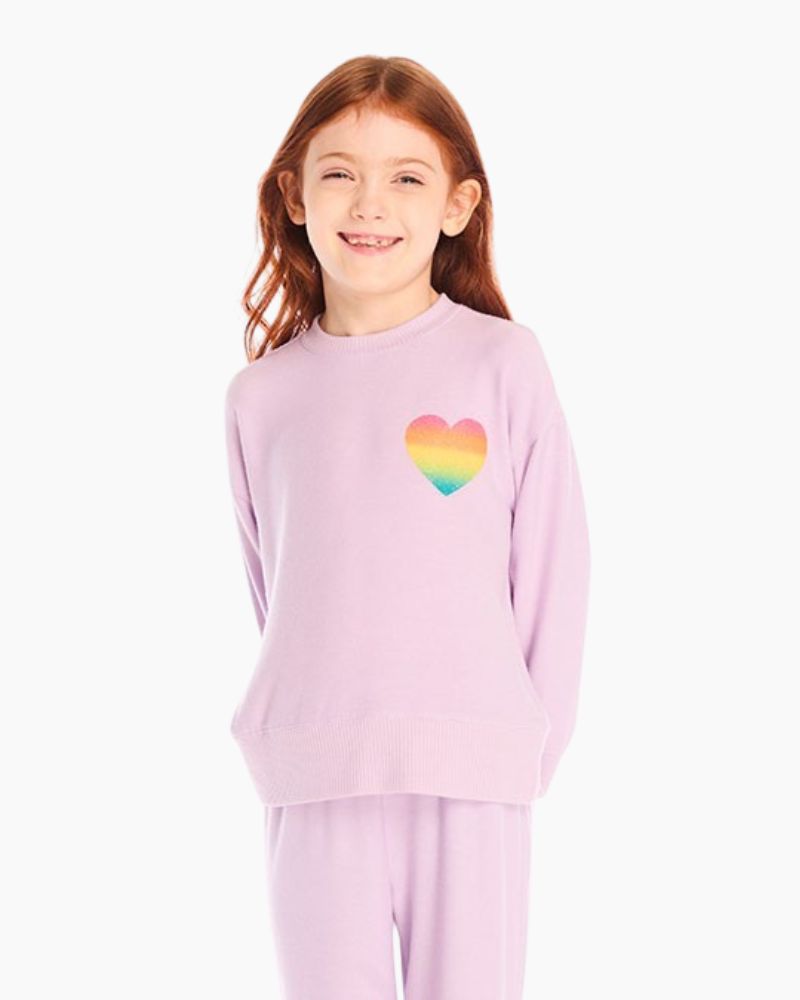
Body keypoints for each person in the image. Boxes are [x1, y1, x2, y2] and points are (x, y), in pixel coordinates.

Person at [223, 54, 591, 1000]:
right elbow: (276, 587)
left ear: (459, 205)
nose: (370, 204)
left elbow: (553, 575)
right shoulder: (261, 398)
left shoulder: (504, 364)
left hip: (474, 773)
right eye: (340, 172)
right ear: (294, 196)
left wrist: (522, 751)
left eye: (408, 178)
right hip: (311, 772)